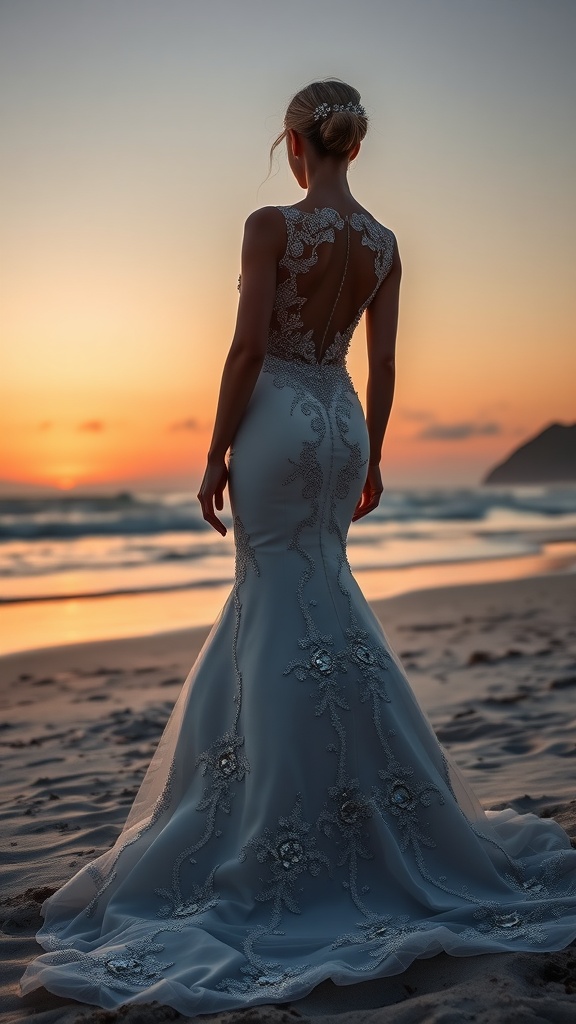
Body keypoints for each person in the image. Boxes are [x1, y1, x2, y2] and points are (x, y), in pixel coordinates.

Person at [21, 79, 576, 1016]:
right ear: (353, 147)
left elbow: (245, 350)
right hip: (342, 418)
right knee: (323, 586)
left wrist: (211, 454)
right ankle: (368, 795)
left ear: (293, 144)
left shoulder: (269, 223)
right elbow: (387, 363)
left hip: (276, 413)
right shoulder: (387, 245)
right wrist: (376, 452)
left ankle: (272, 810)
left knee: (274, 591)